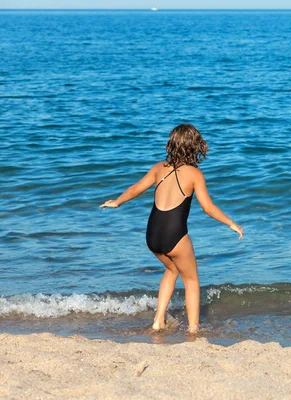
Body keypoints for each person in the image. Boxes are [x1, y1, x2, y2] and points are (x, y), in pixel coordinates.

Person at [100, 124, 243, 334]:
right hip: (174, 235)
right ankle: (194, 329)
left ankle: (158, 320)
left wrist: (117, 202)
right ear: (195, 146)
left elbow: (136, 188)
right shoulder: (195, 174)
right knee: (191, 279)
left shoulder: (158, 168)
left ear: (172, 144)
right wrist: (231, 223)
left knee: (172, 269)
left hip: (152, 235)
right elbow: (208, 207)